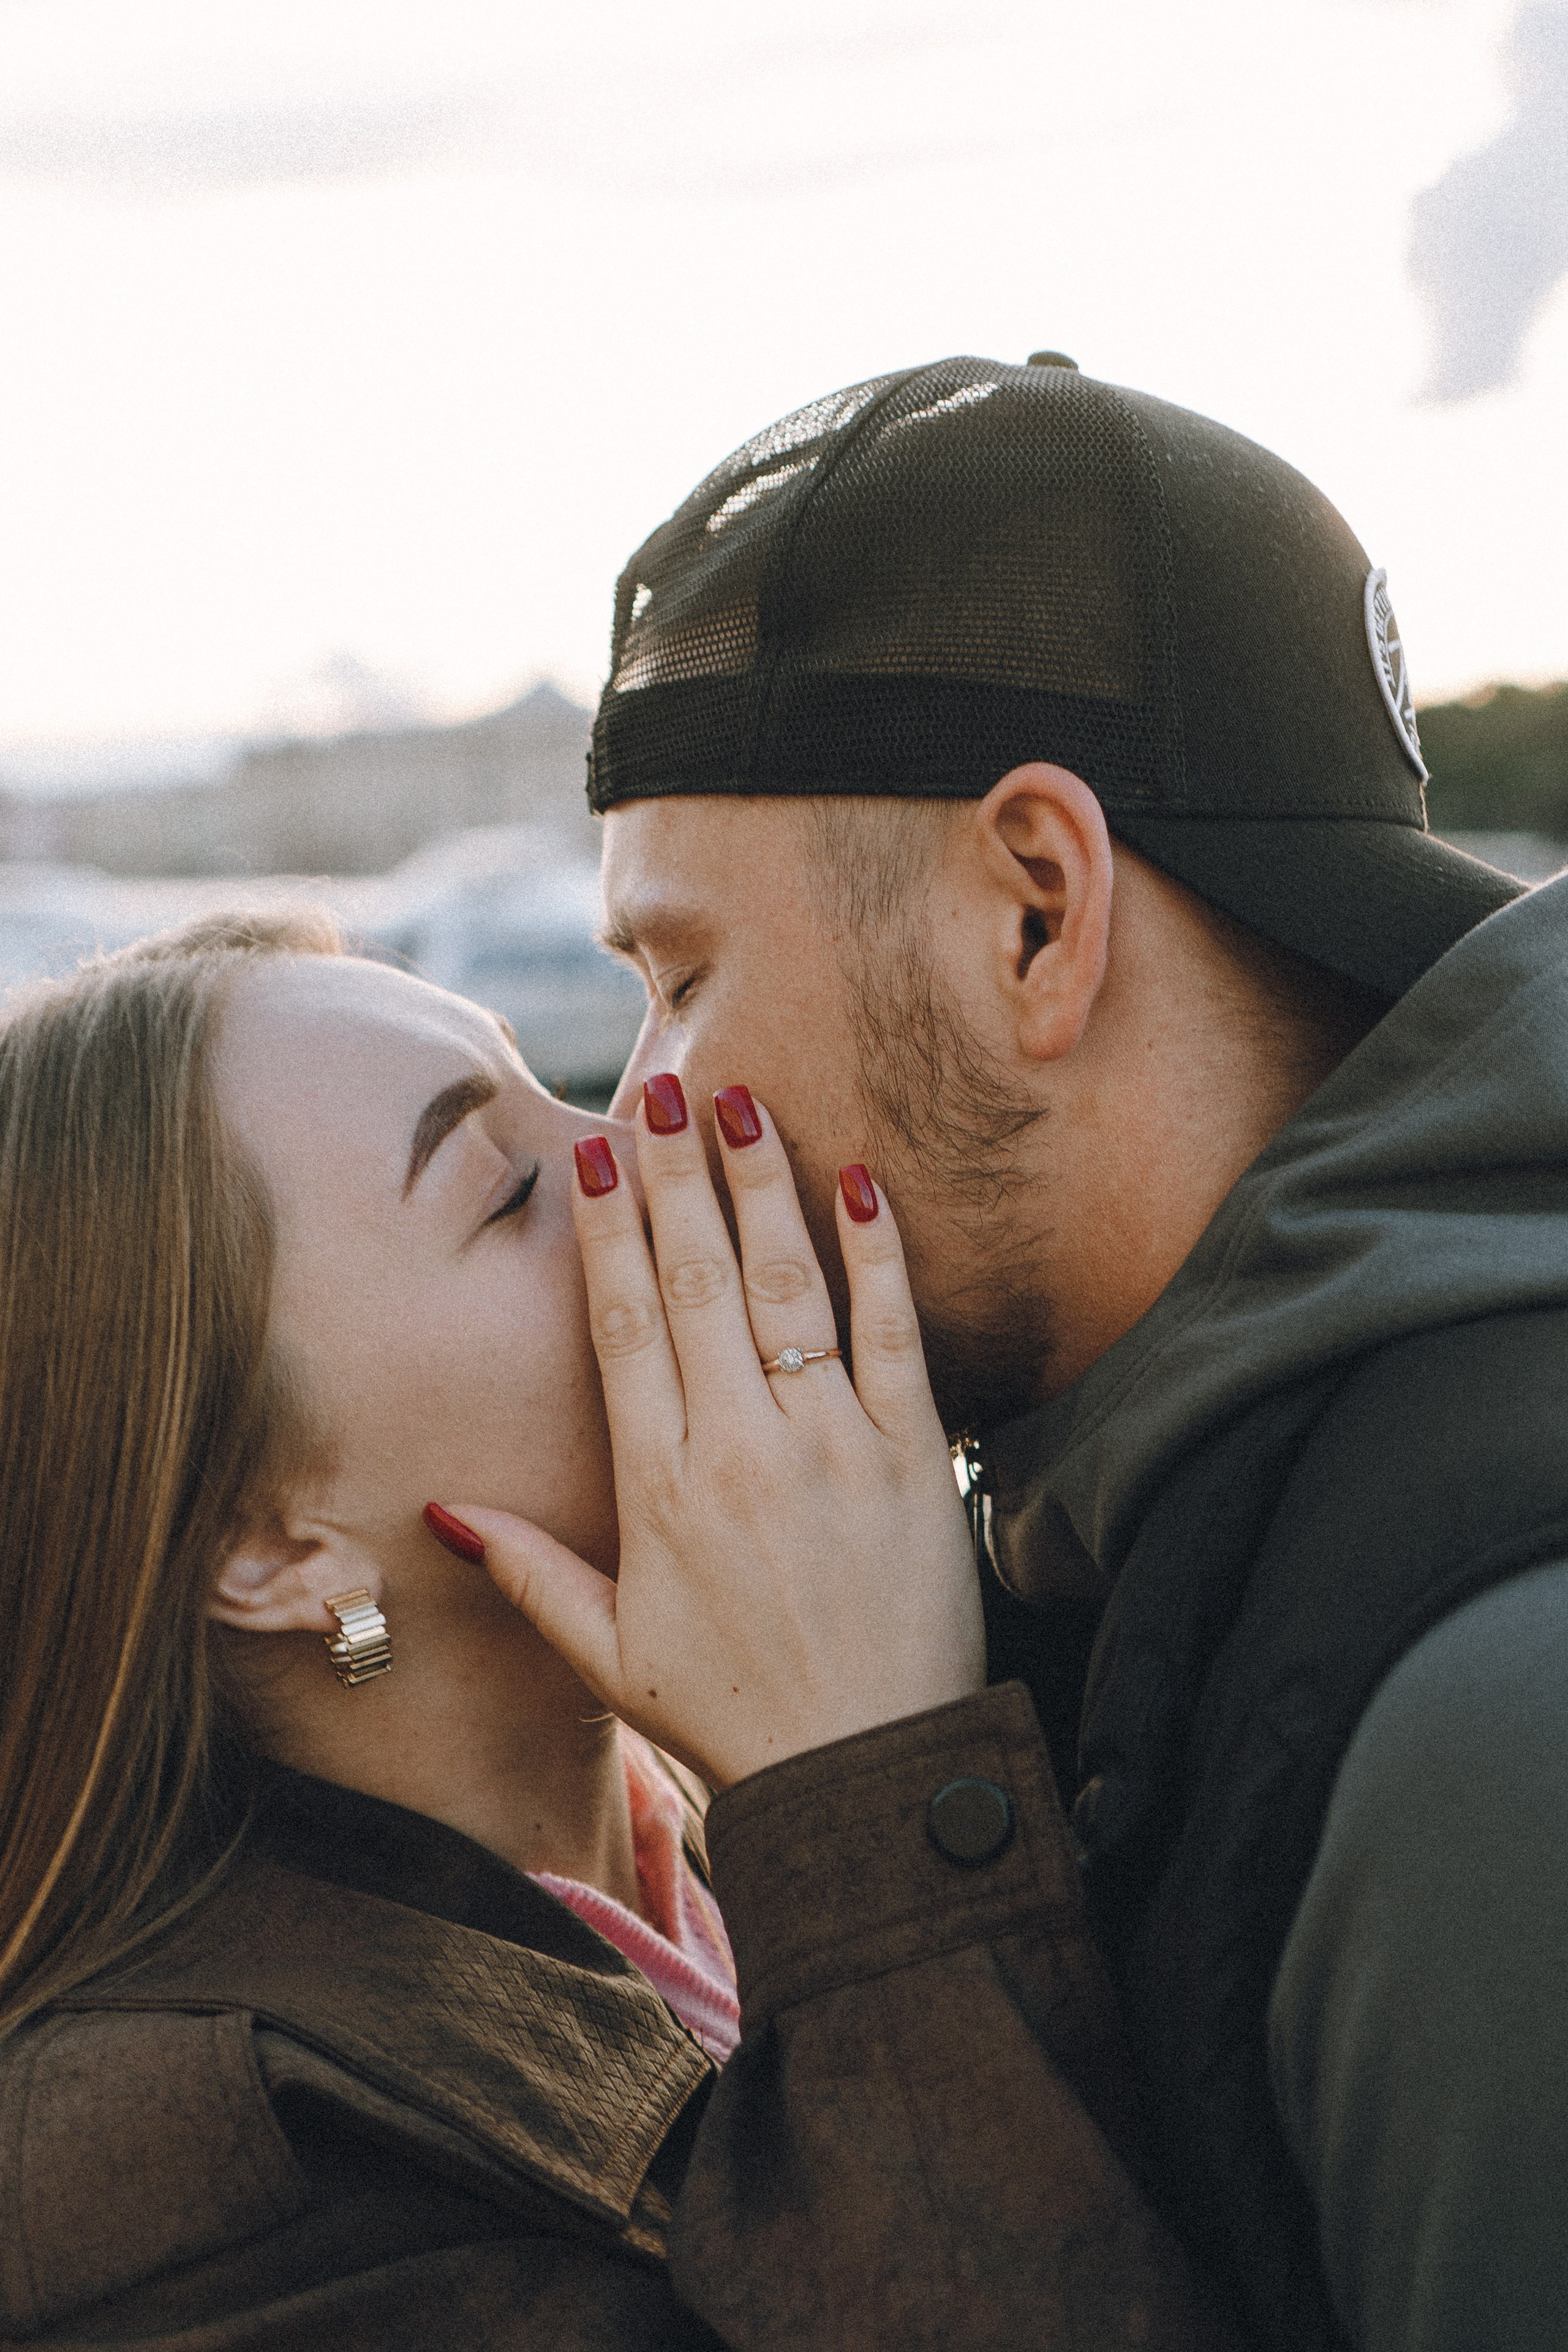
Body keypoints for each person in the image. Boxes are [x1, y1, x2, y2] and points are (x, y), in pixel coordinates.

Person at [469, 355, 1568, 2352]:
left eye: (683, 972)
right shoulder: (1177, 1506)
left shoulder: (1498, 1709)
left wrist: (860, 1813)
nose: (632, 1116)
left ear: (1038, 915)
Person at [0, 909, 1215, 2348]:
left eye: (554, 1081)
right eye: (512, 1187)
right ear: (262, 1545)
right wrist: (872, 1791)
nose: (652, 1136)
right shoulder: (189, 2187)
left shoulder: (720, 1806)